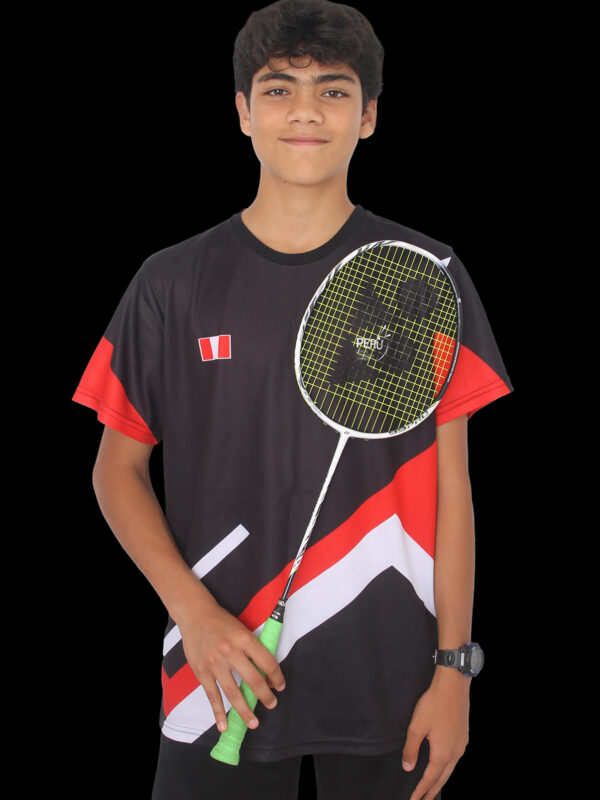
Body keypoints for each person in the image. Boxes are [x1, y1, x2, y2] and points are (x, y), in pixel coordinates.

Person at [73, 1, 512, 798]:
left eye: (333, 90)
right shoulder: (170, 282)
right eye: (279, 89)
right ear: (243, 111)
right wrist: (194, 615)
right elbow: (116, 470)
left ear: (369, 116)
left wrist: (456, 671)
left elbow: (454, 488)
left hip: (392, 679)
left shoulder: (429, 275)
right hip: (217, 675)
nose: (306, 111)